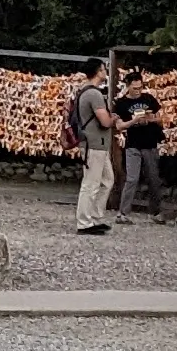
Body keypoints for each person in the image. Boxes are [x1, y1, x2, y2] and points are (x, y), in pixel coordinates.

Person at [68, 56, 119, 236]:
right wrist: (113, 119)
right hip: (94, 144)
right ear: (98, 72)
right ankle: (84, 222)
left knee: (107, 180)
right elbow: (104, 121)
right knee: (91, 183)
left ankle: (95, 217)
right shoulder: (94, 94)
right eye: (104, 69)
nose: (105, 72)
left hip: (98, 144)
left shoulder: (83, 91)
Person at [120, 71, 170, 222]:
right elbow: (120, 125)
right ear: (127, 86)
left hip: (150, 143)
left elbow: (162, 118)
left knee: (154, 178)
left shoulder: (149, 98)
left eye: (140, 87)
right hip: (133, 144)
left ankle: (156, 212)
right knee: (132, 178)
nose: (138, 91)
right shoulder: (122, 103)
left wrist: (150, 119)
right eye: (135, 88)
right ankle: (123, 213)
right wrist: (134, 121)